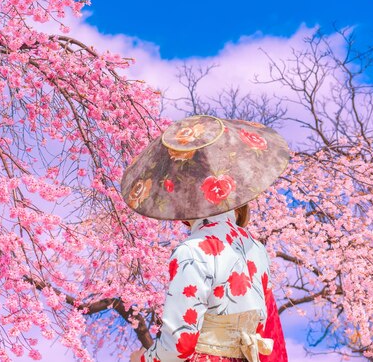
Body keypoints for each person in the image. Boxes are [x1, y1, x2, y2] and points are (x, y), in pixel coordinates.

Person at [120, 115, 290, 362]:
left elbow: (180, 344)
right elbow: (264, 324)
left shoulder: (193, 250)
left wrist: (143, 358)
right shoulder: (256, 248)